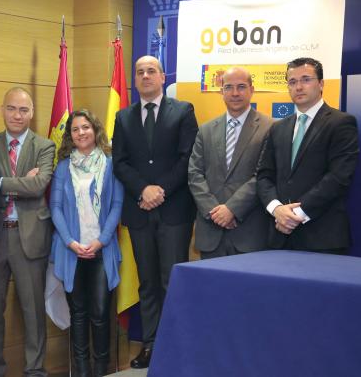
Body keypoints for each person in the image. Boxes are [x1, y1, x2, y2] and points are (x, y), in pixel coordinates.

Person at [112, 55, 198, 368]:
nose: (145, 75)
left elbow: (188, 157)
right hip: (139, 212)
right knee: (147, 282)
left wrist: (159, 189)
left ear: (163, 77)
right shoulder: (123, 117)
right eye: (140, 72)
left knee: (172, 281)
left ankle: (177, 344)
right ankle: (150, 345)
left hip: (174, 210)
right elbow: (119, 162)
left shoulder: (183, 111)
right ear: (135, 80)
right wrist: (142, 190)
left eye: (151, 71)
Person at [0, 87, 55, 377]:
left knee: (33, 312)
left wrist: (1, 182)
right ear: (2, 110)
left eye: (23, 110)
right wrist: (18, 182)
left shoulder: (45, 146)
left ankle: (35, 370)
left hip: (31, 238)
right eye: (11, 108)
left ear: (32, 113)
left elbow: (39, 186)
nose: (17, 115)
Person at [257, 57, 359, 253]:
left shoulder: (341, 123)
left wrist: (296, 214)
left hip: (322, 237)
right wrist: (276, 209)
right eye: (292, 82)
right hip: (280, 235)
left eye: (306, 79)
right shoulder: (278, 128)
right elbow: (263, 176)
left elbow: (338, 177)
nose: (298, 87)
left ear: (321, 84)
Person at [49, 110, 123, 377]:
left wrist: (101, 241)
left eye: (86, 127)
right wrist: (70, 242)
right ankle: (81, 372)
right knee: (78, 314)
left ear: (95, 130)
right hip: (72, 251)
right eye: (76, 129)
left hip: (102, 250)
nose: (81, 133)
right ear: (70, 135)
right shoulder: (63, 167)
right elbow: (55, 208)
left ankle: (101, 370)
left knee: (101, 313)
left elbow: (116, 205)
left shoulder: (111, 164)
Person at [188, 67, 272, 258]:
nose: (235, 93)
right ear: (221, 92)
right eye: (229, 87)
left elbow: (263, 175)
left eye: (241, 87)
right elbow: (195, 174)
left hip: (249, 232)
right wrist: (215, 212)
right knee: (211, 288)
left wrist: (232, 209)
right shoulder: (206, 130)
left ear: (252, 89)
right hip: (211, 231)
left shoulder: (270, 127)